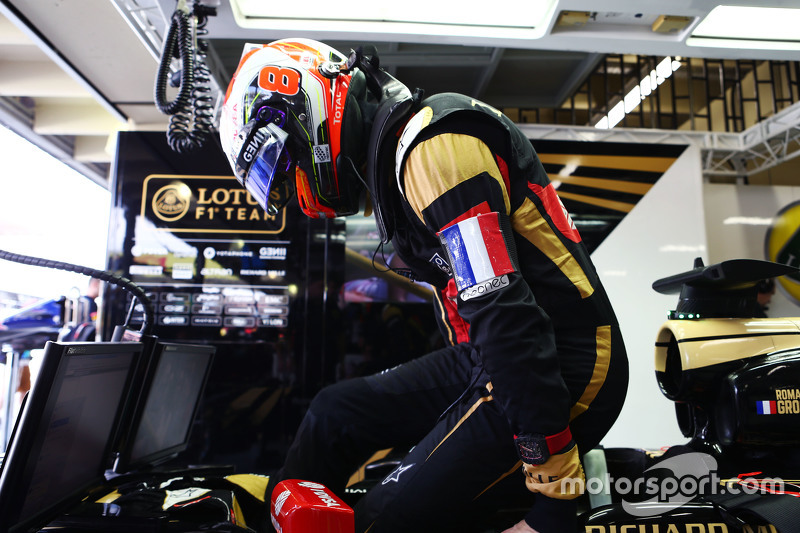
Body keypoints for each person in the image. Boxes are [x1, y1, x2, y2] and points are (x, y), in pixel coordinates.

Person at [219, 39, 629, 533]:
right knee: (334, 413)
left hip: (566, 362)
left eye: (293, 167)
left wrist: (554, 497)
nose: (303, 191)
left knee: (379, 521)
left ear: (307, 109)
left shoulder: (434, 148)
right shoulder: (400, 159)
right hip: (500, 355)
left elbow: (506, 314)